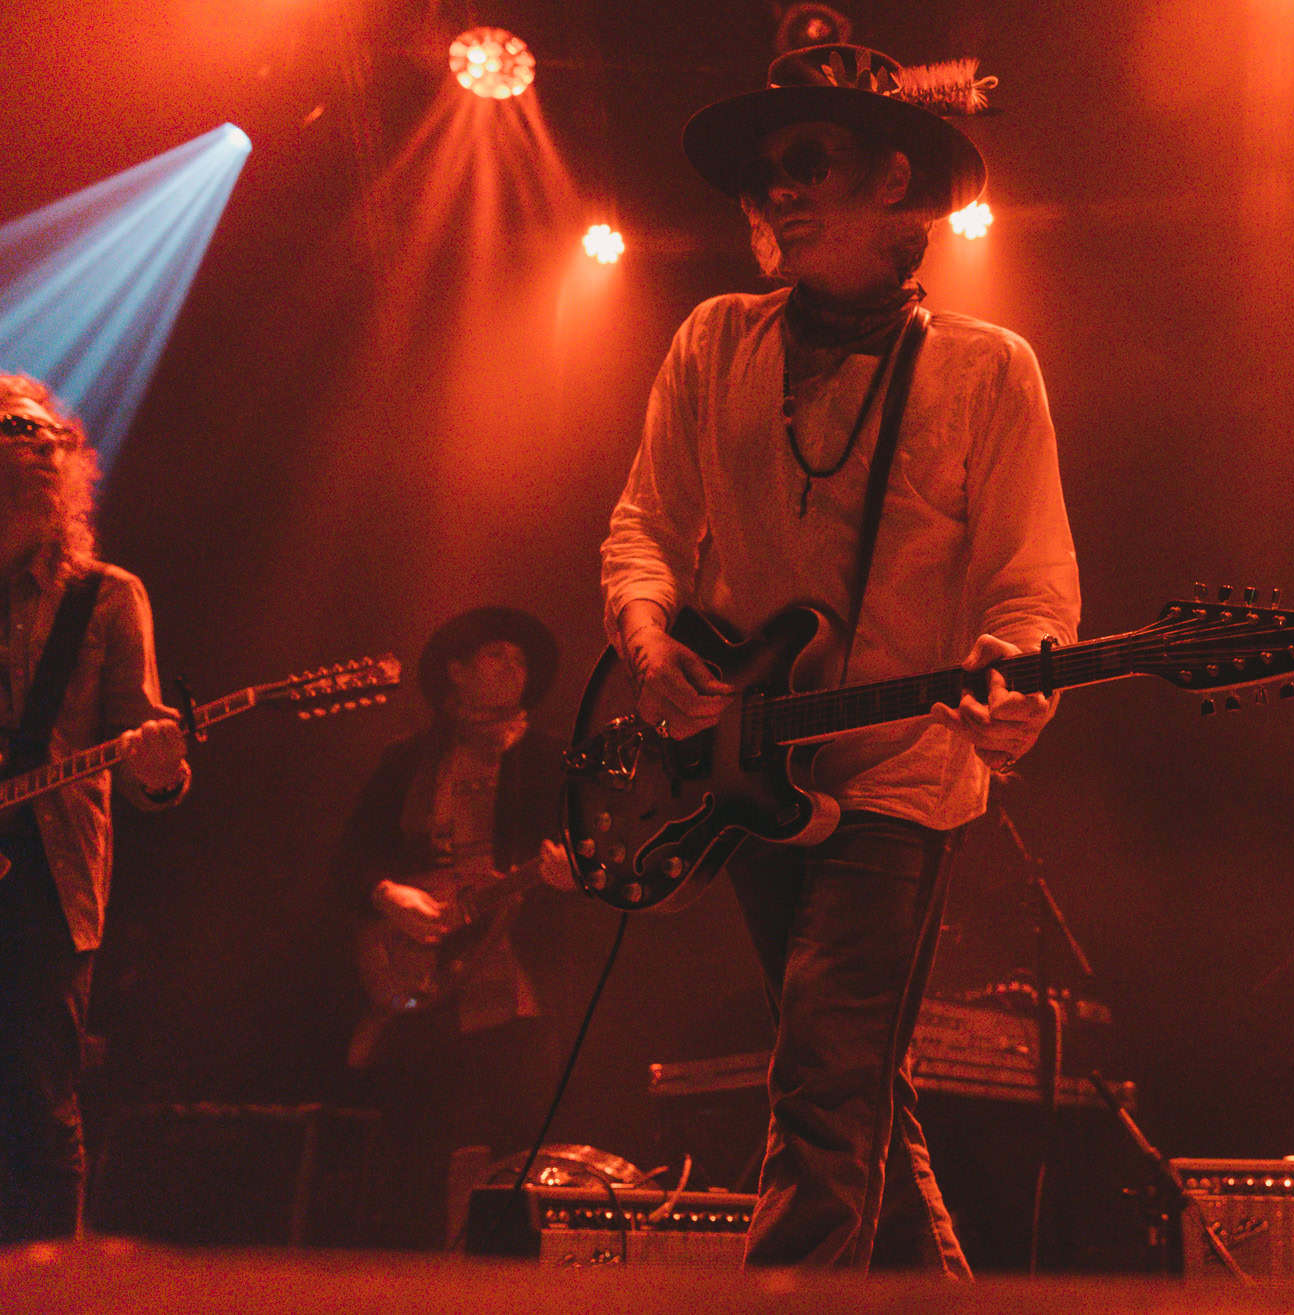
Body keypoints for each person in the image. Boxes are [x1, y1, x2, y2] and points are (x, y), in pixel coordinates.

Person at [601, 43, 1080, 1273]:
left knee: (822, 1064)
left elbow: (1031, 584)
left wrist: (1018, 673)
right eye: (761, 174)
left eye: (806, 162)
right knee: (854, 1081)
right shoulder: (713, 339)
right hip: (747, 766)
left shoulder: (988, 366)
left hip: (901, 773)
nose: (775, 192)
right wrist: (649, 639)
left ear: (894, 182)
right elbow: (645, 526)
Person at [0, 374, 188, 1242]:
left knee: (37, 1101)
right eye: (15, 427)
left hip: (45, 878)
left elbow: (146, 763)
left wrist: (161, 769)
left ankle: (47, 1285)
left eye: (52, 435)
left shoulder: (107, 596)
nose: (40, 443)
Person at [337, 606, 573, 1249]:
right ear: (457, 671)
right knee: (417, 1157)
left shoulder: (554, 761)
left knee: (520, 1159)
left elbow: (590, 865)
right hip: (423, 985)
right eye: (498, 655)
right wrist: (389, 895)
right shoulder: (407, 760)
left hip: (520, 987)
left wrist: (570, 878)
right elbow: (349, 859)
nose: (515, 667)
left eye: (522, 659)